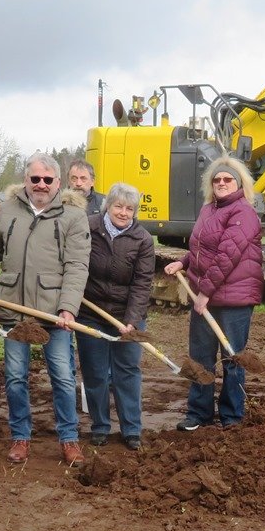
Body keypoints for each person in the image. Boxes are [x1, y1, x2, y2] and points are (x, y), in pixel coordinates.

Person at [0, 153, 90, 467]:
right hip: (14, 310)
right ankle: (20, 436)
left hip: (53, 313)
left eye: (47, 179)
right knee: (15, 378)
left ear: (57, 182)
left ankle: (69, 439)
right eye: (35, 179)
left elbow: (76, 266)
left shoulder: (73, 216)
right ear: (26, 180)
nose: (41, 184)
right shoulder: (7, 210)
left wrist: (68, 308)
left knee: (62, 378)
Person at [163, 156, 262, 430]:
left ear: (239, 183)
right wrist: (183, 262)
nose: (221, 183)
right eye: (217, 179)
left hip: (233, 300)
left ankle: (232, 416)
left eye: (228, 179)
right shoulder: (208, 209)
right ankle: (199, 413)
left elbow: (227, 256)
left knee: (232, 358)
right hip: (205, 296)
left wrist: (204, 292)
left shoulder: (243, 212)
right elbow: (201, 248)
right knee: (200, 358)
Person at [76, 182, 154, 450]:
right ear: (107, 206)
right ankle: (100, 426)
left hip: (126, 315)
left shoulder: (143, 239)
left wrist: (131, 320)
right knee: (95, 371)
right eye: (118, 206)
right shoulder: (88, 228)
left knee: (127, 371)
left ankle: (131, 429)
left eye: (129, 209)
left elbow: (142, 283)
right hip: (91, 312)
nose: (123, 212)